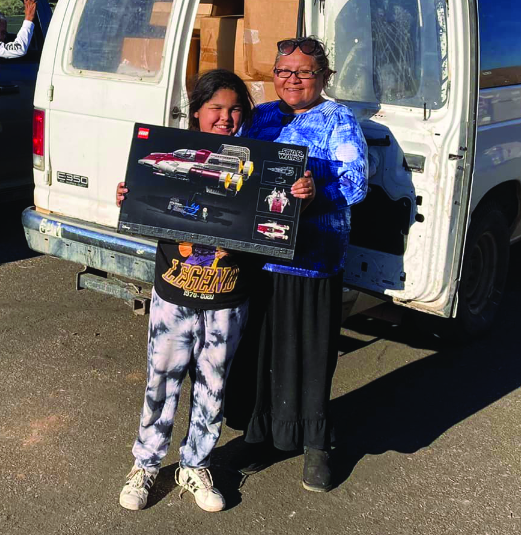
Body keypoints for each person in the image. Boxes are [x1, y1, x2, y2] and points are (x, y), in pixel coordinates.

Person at [116, 69, 277, 513]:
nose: (226, 118)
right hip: (175, 293)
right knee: (160, 382)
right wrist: (130, 197)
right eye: (216, 109)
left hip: (229, 297)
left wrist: (299, 190)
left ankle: (195, 463)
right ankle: (147, 464)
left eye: (235, 110)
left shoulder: (258, 160)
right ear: (197, 113)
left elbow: (273, 220)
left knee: (213, 385)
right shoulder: (167, 152)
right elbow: (149, 206)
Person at [231, 36, 375, 492]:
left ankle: (316, 443)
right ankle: (264, 436)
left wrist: (317, 194)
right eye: (283, 71)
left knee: (310, 355)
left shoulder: (337, 119)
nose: (292, 80)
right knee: (261, 353)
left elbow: (355, 184)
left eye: (304, 72)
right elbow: (233, 165)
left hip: (312, 260)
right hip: (260, 258)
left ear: (323, 77)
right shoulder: (261, 116)